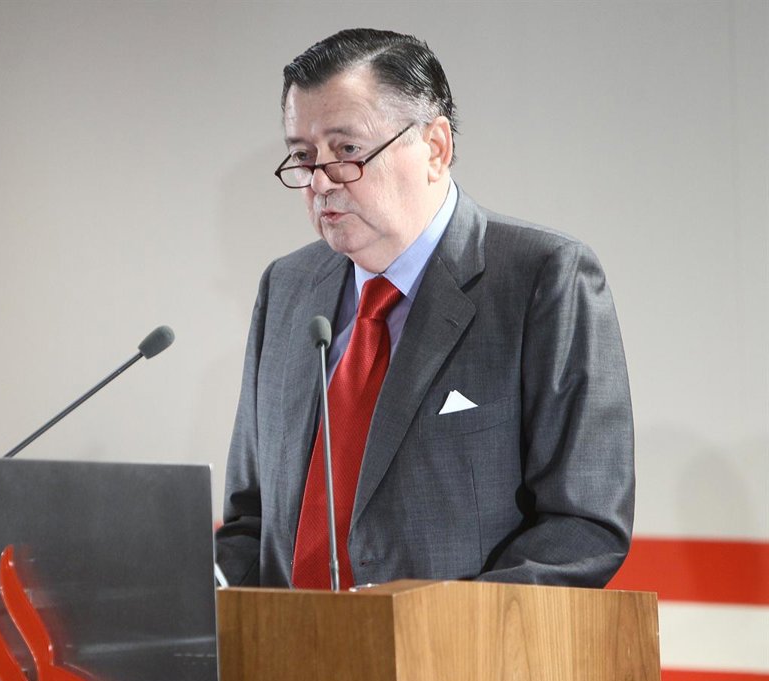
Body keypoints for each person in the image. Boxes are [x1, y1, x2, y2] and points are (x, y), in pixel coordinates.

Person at [215, 28, 634, 589]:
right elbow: (252, 522)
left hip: (455, 645)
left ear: (435, 147)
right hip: (289, 644)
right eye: (303, 156)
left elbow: (581, 528)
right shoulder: (287, 289)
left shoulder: (543, 279)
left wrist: (430, 627)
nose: (320, 182)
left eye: (347, 151)